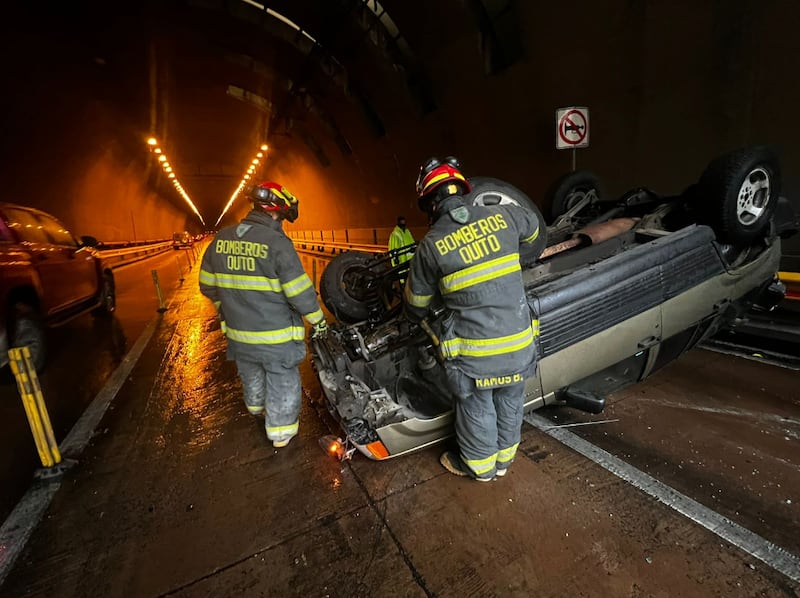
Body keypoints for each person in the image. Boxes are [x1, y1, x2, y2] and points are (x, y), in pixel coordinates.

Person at [403, 157, 541, 481]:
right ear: (464, 191)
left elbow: (416, 304)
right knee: (510, 400)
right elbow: (534, 229)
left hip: (475, 356)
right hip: (519, 345)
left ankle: (479, 469)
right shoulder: (504, 215)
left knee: (477, 407)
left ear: (430, 203)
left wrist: (414, 316)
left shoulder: (431, 245)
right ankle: (504, 463)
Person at [199, 181, 328, 448]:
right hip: (275, 336)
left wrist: (228, 307)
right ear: (277, 212)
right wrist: (318, 320)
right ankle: (280, 433)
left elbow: (206, 284)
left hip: (239, 335)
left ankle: (256, 409)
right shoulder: (277, 243)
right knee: (282, 378)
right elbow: (299, 291)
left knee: (250, 371)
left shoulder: (221, 239)